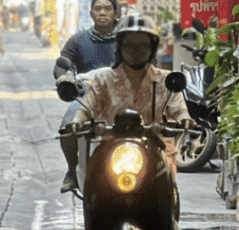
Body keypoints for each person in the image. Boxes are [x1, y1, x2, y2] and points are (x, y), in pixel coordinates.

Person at [70, 13, 191, 177]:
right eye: (129, 46)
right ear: (120, 47)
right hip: (110, 151)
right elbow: (87, 107)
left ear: (152, 47)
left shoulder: (165, 80)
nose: (136, 52)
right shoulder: (104, 80)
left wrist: (185, 119)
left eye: (143, 46)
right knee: (93, 180)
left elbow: (178, 108)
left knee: (165, 183)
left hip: (155, 151)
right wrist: (77, 121)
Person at [54, 0, 120, 193]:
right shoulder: (78, 41)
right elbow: (61, 64)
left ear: (116, 13)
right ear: (91, 13)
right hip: (86, 98)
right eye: (98, 9)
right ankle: (72, 171)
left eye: (107, 8)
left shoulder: (127, 39)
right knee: (67, 127)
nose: (102, 12)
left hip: (123, 96)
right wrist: (63, 77)